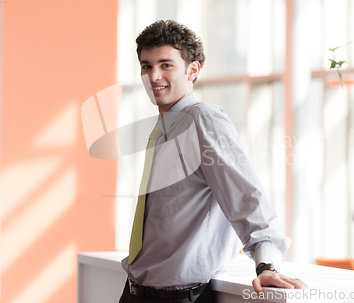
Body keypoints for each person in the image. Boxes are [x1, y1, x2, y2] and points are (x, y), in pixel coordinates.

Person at [119, 20, 307, 303]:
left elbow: (246, 196)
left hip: (177, 298)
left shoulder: (203, 121)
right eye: (146, 66)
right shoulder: (163, 129)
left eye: (166, 65)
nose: (153, 75)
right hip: (136, 291)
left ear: (192, 70)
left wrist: (265, 264)